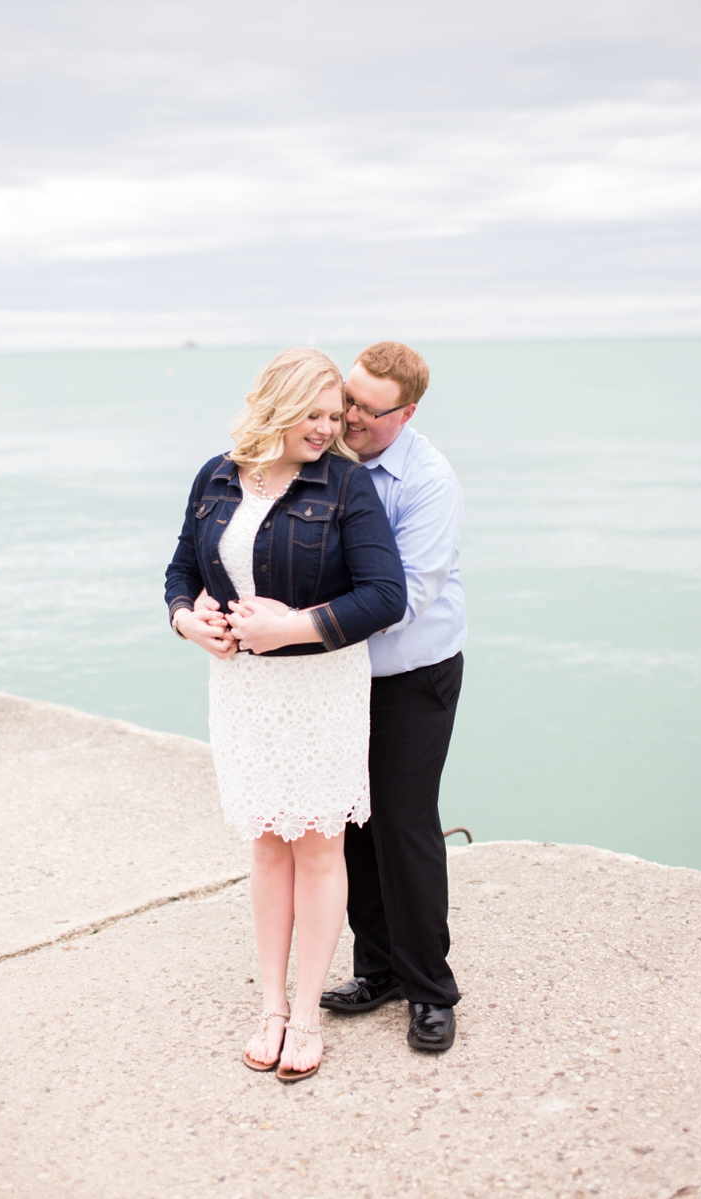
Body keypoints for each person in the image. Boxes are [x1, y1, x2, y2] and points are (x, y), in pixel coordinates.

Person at [164, 347, 405, 1081]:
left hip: (320, 688)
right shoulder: (215, 474)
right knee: (267, 844)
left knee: (318, 847)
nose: (329, 428)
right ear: (275, 403)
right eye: (316, 413)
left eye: (337, 417)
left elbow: (384, 595)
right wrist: (187, 619)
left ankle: (305, 1015)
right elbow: (181, 570)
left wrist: (289, 627)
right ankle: (268, 1005)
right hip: (242, 690)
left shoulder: (346, 485)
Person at [317, 342, 467, 1053]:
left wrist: (304, 621)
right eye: (346, 399)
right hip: (339, 673)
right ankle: (376, 968)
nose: (348, 417)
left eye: (366, 411)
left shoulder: (430, 481)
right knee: (351, 824)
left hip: (413, 674)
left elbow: (403, 597)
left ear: (406, 413)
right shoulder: (330, 456)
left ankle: (431, 990)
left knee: (403, 827)